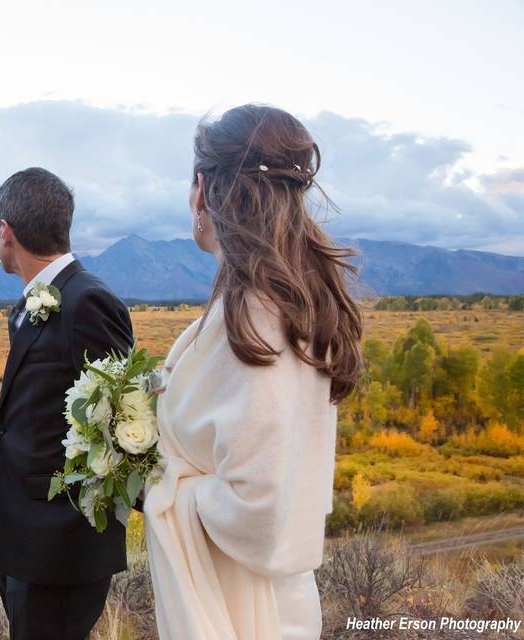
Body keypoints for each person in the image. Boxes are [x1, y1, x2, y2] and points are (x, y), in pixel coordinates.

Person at [142, 104, 364, 640]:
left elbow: (259, 508)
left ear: (202, 190)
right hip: (252, 596)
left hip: (247, 610)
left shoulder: (259, 320)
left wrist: (161, 485)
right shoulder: (279, 306)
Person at [0, 167, 135, 640]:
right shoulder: (36, 303)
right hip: (25, 548)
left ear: (5, 231)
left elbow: (125, 424)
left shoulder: (88, 302)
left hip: (61, 554)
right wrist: (4, 550)